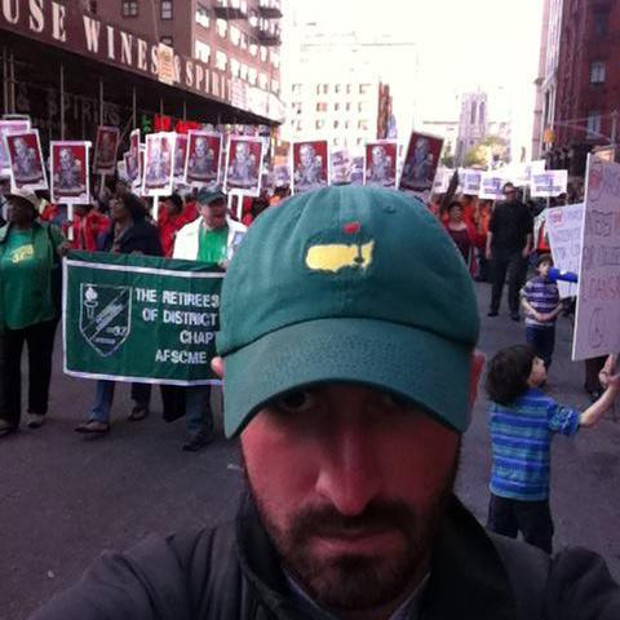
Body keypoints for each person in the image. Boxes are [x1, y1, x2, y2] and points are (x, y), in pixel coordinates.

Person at [33, 186, 620, 619]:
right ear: (230, 390)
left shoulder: (559, 602)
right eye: (294, 400)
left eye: (397, 399)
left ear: (467, 392)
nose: (349, 492)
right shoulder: (155, 599)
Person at [486, 344, 620, 554]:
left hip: (500, 490)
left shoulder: (497, 406)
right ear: (526, 378)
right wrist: (612, 389)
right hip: (532, 494)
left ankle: (499, 575)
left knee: (498, 548)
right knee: (538, 550)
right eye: (536, 362)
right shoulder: (544, 407)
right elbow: (586, 419)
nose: (542, 361)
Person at [74, 193, 163, 435]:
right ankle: (99, 414)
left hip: (137, 298)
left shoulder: (147, 232)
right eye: (112, 202)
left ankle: (140, 400)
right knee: (106, 350)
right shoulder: (107, 232)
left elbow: (160, 263)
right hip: (109, 299)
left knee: (139, 351)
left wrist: (144, 261)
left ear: (130, 207)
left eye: (119, 202)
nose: (113, 205)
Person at [172, 187, 246, 452]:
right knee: (196, 368)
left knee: (232, 367)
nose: (218, 209)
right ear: (199, 209)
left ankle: (235, 423)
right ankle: (197, 428)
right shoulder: (186, 234)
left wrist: (235, 268)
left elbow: (252, 270)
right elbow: (177, 271)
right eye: (212, 204)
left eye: (221, 203)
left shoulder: (242, 233)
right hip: (196, 313)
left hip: (231, 312)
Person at [0, 189, 65, 437]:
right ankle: (7, 416)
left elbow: (69, 254)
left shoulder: (48, 233)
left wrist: (66, 249)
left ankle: (37, 409)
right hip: (8, 310)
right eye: (10, 204)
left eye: (17, 205)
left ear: (30, 211)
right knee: (7, 365)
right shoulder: (2, 236)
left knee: (39, 361)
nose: (11, 208)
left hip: (42, 311)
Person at [486, 181, 533, 321]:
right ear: (504, 194)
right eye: (507, 193)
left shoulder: (524, 209)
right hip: (499, 248)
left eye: (512, 192)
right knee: (497, 280)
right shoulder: (499, 209)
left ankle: (514, 310)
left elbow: (529, 230)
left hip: (517, 249)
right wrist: (488, 247)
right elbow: (491, 230)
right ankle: (494, 307)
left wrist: (527, 246)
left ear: (516, 193)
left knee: (514, 280)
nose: (510, 195)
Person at [520, 254, 562, 370]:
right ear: (538, 268)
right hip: (533, 324)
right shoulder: (532, 283)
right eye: (544, 265)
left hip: (549, 325)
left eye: (550, 265)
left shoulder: (556, 285)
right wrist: (535, 313)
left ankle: (543, 373)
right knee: (532, 351)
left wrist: (550, 315)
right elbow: (524, 299)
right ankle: (531, 373)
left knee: (547, 353)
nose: (547, 268)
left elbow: (562, 304)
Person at [443, 200, 484, 275]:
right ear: (449, 213)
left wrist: (480, 229)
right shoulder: (443, 227)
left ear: (462, 212)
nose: (456, 212)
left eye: (458, 210)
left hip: (465, 264)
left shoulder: (469, 228)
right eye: (453, 210)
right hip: (447, 263)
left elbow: (478, 243)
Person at [157, 193, 195, 258]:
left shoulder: (184, 224)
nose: (167, 206)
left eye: (170, 204)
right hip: (160, 256)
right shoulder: (162, 221)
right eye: (166, 204)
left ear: (177, 206)